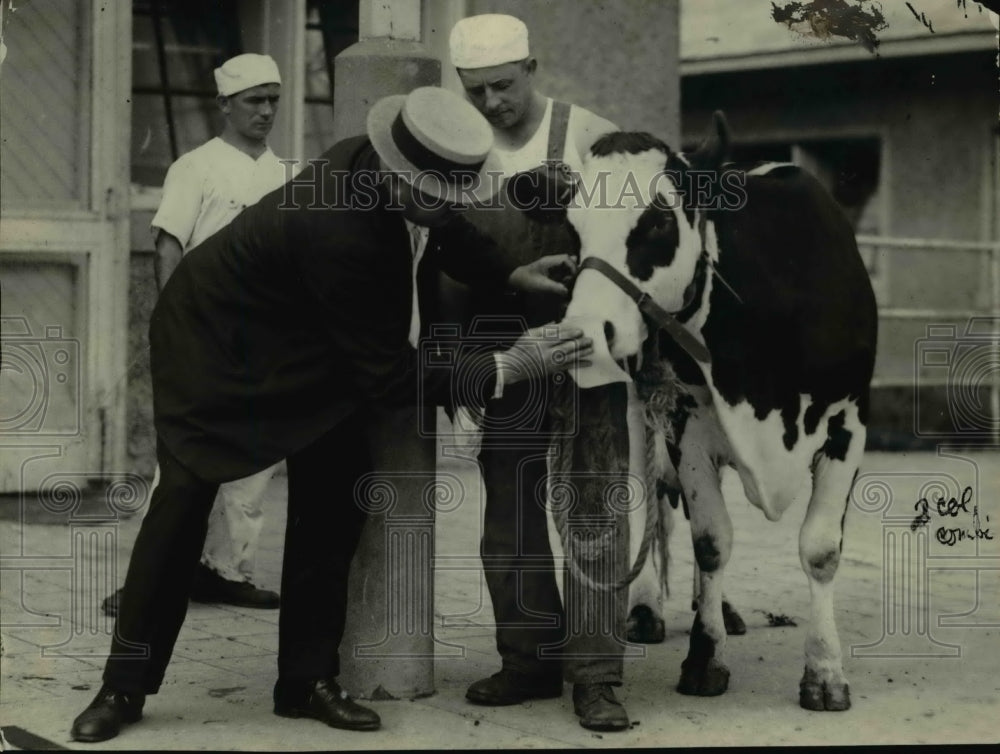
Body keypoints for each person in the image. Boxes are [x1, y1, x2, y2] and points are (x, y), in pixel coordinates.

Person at [69, 85, 592, 744]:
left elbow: (449, 229)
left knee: (333, 503)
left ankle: (305, 683)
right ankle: (122, 687)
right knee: (181, 508)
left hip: (312, 345)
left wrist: (513, 274)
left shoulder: (396, 175)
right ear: (403, 180)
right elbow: (392, 377)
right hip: (215, 349)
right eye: (440, 195)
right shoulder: (341, 230)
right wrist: (510, 365)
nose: (450, 206)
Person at [447, 14, 632, 732]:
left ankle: (596, 675)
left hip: (587, 346)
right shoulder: (457, 150)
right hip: (504, 350)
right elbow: (443, 258)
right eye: (475, 92)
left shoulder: (590, 134)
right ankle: (528, 658)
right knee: (510, 514)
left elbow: (637, 236)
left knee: (594, 508)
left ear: (533, 66)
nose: (491, 104)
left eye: (501, 86)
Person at [103, 53, 292, 616]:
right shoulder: (197, 166)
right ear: (225, 105)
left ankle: (226, 571)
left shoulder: (285, 175)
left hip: (264, 334)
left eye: (272, 100)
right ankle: (153, 580)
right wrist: (173, 328)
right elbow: (169, 245)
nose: (265, 111)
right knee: (183, 466)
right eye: (254, 100)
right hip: (204, 331)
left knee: (254, 465)